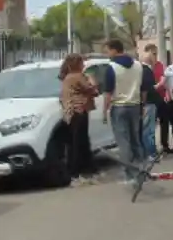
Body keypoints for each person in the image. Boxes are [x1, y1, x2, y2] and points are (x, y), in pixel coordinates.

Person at [103, 39, 151, 184]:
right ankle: (142, 169)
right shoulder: (138, 66)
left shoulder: (111, 67)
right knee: (136, 138)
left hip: (119, 107)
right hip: (135, 106)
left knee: (123, 142)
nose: (107, 54)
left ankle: (130, 175)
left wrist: (104, 111)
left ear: (114, 50)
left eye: (108, 50)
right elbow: (144, 89)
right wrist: (142, 105)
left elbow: (108, 93)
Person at [59, 54, 99, 180]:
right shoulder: (77, 76)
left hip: (71, 111)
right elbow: (93, 90)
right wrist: (92, 79)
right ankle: (77, 170)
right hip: (79, 110)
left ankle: (83, 167)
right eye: (82, 63)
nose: (84, 65)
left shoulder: (67, 77)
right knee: (79, 142)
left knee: (77, 141)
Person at [139, 51, 163, 158]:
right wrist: (160, 84)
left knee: (145, 129)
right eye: (153, 56)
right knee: (149, 130)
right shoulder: (147, 71)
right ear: (149, 59)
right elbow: (147, 89)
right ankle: (151, 153)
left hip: (144, 103)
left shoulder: (139, 70)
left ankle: (146, 152)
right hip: (149, 103)